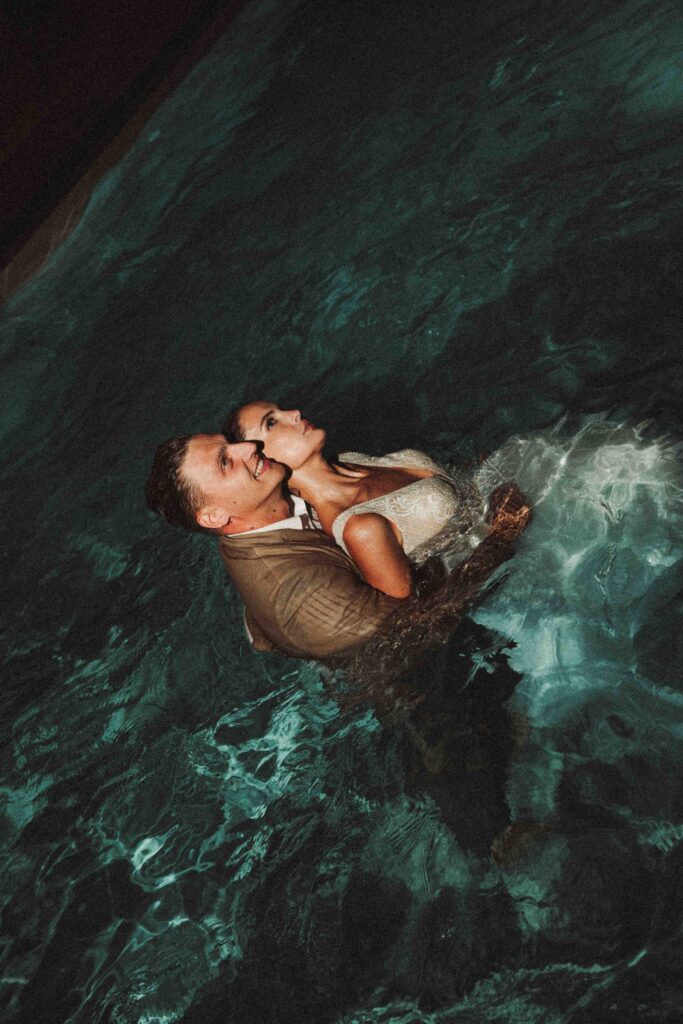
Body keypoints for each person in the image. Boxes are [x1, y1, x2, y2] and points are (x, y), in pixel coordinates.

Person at [144, 432, 531, 662]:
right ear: (214, 516)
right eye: (226, 462)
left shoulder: (275, 495)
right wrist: (501, 538)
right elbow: (419, 628)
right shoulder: (303, 600)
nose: (247, 446)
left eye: (231, 443)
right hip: (438, 663)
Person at [225, 402, 487, 597]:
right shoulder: (358, 527)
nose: (294, 413)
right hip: (495, 568)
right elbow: (416, 615)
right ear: (261, 460)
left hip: (494, 492)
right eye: (271, 423)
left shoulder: (349, 459)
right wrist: (501, 534)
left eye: (281, 410)